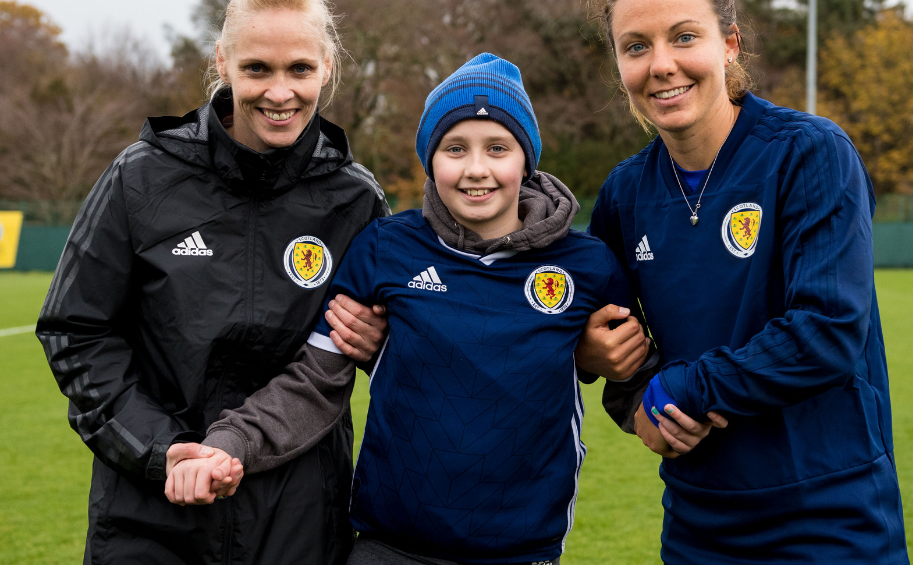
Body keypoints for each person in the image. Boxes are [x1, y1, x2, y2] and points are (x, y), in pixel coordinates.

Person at [166, 53, 648, 565]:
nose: (476, 169)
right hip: (389, 548)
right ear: (430, 159)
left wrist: (672, 402)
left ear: (525, 160)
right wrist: (231, 441)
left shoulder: (587, 266)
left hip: (522, 551)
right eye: (455, 148)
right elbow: (314, 382)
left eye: (498, 148)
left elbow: (636, 375)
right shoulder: (385, 249)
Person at [36, 0, 390, 565]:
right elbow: (76, 329)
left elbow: (404, 343)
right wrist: (161, 451)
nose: (280, 92)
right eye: (258, 68)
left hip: (299, 518)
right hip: (151, 514)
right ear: (223, 63)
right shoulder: (141, 177)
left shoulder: (355, 200)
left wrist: (379, 337)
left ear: (326, 69)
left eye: (299, 69)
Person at [582, 0, 909, 563]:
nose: (661, 65)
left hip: (830, 519)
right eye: (636, 46)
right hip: (697, 522)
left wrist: (688, 390)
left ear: (729, 44)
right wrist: (618, 381)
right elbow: (611, 345)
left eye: (684, 37)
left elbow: (827, 331)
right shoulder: (625, 195)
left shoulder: (810, 153)